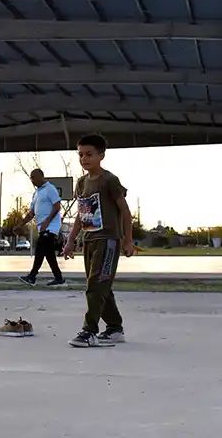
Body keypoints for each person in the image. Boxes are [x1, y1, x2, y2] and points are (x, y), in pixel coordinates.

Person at [63, 133, 134, 348]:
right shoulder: (82, 182)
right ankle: (114, 328)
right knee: (100, 287)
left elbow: (126, 212)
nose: (84, 159)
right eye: (81, 155)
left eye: (89, 154)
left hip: (108, 241)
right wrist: (70, 240)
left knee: (96, 286)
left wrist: (127, 240)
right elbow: (80, 215)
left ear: (101, 156)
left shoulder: (109, 181)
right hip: (90, 240)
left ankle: (89, 331)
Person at [18, 168, 65, 286]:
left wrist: (47, 222)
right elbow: (31, 213)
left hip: (51, 226)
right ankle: (58, 278)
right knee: (48, 253)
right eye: (31, 178)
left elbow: (57, 206)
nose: (32, 181)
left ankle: (32, 276)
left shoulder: (50, 189)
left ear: (41, 176)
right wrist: (20, 225)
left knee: (40, 248)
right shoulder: (36, 193)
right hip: (43, 227)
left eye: (33, 178)